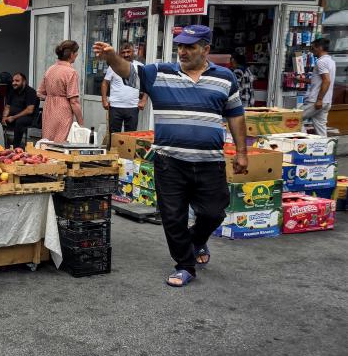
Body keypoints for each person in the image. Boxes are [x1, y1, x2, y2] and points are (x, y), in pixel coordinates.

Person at [93, 25, 248, 288]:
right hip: (170, 162)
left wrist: (242, 153)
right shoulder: (160, 73)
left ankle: (197, 240)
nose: (183, 51)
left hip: (210, 161)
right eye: (180, 46)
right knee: (173, 216)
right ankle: (185, 265)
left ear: (206, 49)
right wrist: (111, 57)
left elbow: (235, 115)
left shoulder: (225, 77)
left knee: (214, 213)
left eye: (190, 47)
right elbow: (128, 71)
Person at [38, 40, 83, 141]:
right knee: (60, 141)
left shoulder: (50, 69)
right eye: (76, 52)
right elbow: (74, 101)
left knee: (47, 141)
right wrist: (81, 123)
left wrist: (52, 97)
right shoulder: (71, 72)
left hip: (48, 109)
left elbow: (39, 93)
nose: (77, 54)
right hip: (63, 110)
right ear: (71, 54)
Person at [101, 42, 147, 135]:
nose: (126, 55)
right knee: (114, 136)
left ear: (133, 52)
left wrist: (144, 100)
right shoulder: (113, 66)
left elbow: (147, 84)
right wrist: (104, 100)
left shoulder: (140, 66)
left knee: (130, 136)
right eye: (123, 52)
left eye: (128, 52)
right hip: (115, 106)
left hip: (133, 107)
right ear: (119, 53)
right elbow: (105, 83)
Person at [302, 38, 335, 136]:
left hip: (316, 100)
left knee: (294, 118)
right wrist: (300, 80)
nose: (312, 51)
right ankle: (323, 145)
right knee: (320, 127)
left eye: (313, 48)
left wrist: (319, 99)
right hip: (326, 101)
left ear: (320, 48)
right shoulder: (330, 61)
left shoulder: (321, 62)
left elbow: (326, 80)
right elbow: (319, 81)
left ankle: (304, 141)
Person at [1, 72, 39, 148]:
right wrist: (4, 117)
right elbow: (7, 106)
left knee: (20, 122)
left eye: (17, 81)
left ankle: (16, 146)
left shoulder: (30, 92)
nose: (14, 83)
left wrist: (13, 117)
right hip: (13, 117)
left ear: (24, 82)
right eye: (13, 81)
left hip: (28, 117)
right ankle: (2, 145)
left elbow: (29, 110)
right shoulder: (12, 91)